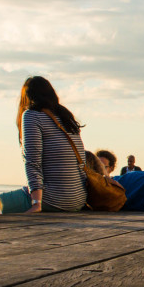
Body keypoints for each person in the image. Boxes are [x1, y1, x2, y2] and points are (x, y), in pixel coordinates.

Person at [17, 75, 87, 213]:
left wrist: (36, 203)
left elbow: (32, 161)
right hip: (79, 199)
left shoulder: (31, 115)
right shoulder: (66, 117)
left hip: (54, 199)